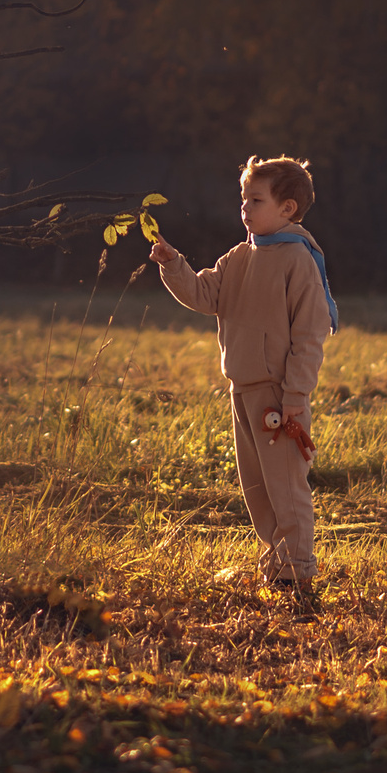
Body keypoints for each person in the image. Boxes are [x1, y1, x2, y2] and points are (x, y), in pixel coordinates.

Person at [149, 154, 338, 618]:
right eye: (243, 199)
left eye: (256, 200)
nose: (245, 209)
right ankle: (276, 565)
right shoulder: (239, 256)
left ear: (288, 209)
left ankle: (297, 572)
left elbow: (310, 336)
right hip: (242, 388)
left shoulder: (298, 260)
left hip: (278, 395)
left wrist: (295, 400)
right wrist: (174, 265)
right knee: (256, 486)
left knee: (287, 485)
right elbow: (203, 295)